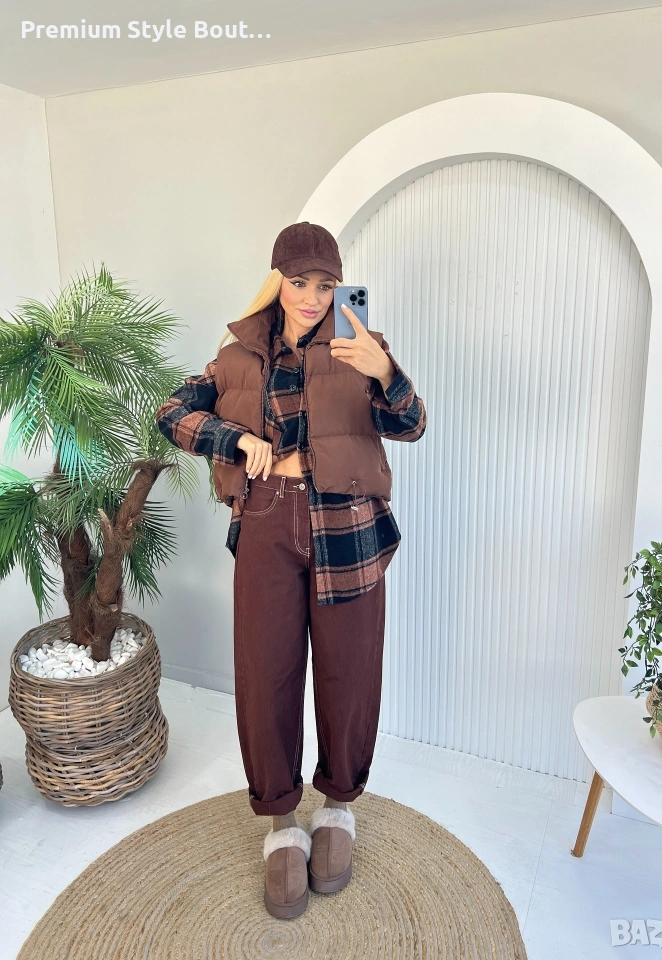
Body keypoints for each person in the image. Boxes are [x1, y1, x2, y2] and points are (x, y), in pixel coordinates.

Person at [155, 221, 426, 919]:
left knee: (349, 670)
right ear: (278, 280)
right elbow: (171, 413)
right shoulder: (236, 357)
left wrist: (385, 372)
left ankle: (337, 808)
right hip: (268, 521)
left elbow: (412, 423)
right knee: (266, 672)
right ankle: (280, 821)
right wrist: (233, 437)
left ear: (340, 287)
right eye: (299, 282)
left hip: (348, 525)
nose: (312, 297)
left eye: (325, 285)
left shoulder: (361, 346)